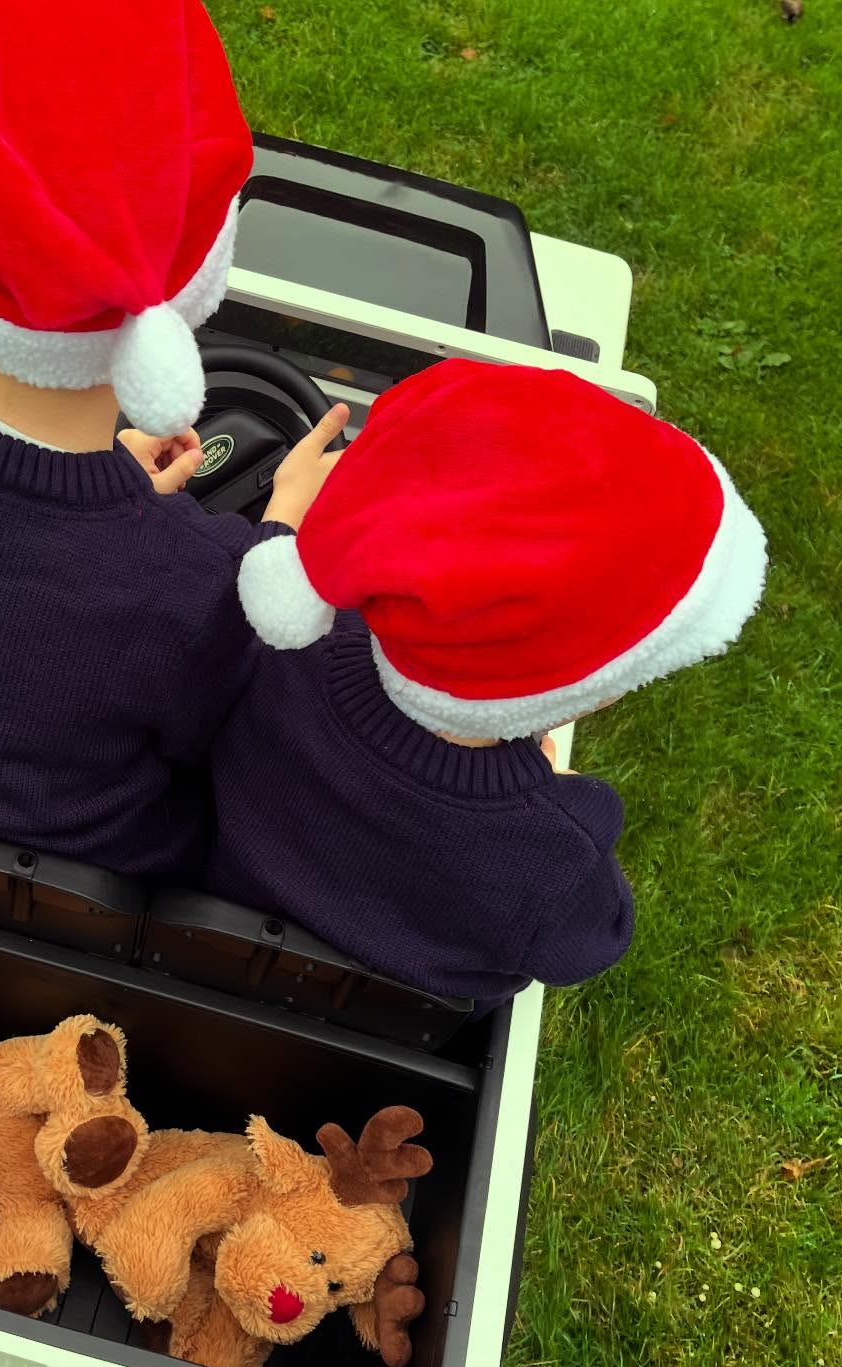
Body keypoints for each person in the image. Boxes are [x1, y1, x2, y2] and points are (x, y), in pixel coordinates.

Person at [0, 0, 346, 878]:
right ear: (194, 283)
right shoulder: (196, 582)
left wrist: (110, 511)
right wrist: (279, 535)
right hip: (106, 908)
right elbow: (242, 718)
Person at [209, 359, 768, 1011]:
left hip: (211, 961)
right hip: (390, 1045)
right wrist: (551, 790)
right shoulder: (556, 849)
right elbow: (593, 941)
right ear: (590, 687)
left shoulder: (286, 662)